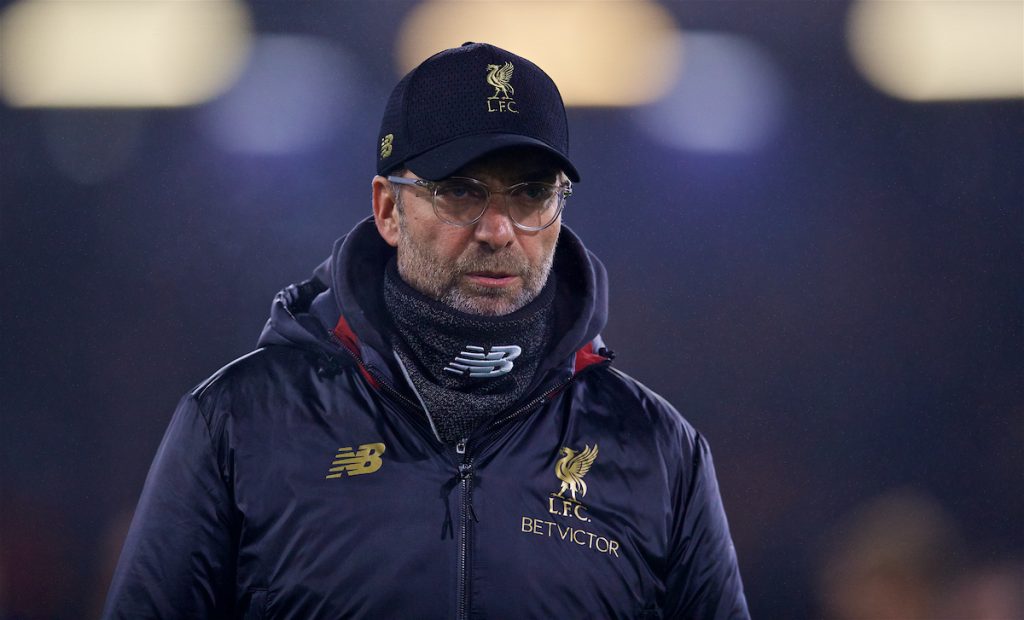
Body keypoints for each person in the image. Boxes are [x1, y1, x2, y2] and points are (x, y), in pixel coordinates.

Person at [103, 42, 749, 619]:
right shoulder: (237, 426)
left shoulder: (660, 453)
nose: (499, 231)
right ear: (388, 209)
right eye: (461, 193)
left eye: (530, 195)